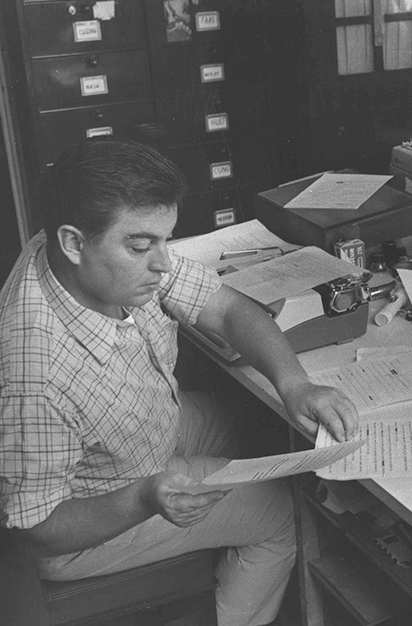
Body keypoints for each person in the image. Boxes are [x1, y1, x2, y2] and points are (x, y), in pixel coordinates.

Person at [0, 139, 359, 626]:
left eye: (164, 241)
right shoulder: (32, 374)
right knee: (285, 513)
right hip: (90, 515)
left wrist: (296, 384)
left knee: (271, 425)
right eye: (142, 246)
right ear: (73, 243)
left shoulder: (97, 259)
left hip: (141, 430)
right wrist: (146, 496)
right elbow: (36, 527)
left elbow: (229, 308)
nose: (163, 264)